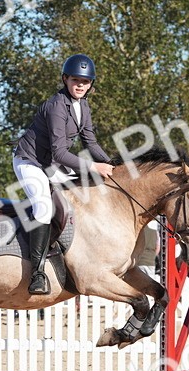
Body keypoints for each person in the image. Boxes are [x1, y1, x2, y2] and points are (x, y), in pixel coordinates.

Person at [13, 53, 115, 294]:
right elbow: (60, 153)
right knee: (43, 207)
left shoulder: (83, 106)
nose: (80, 85)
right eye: (75, 80)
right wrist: (93, 166)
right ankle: (37, 274)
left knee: (81, 193)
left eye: (85, 81)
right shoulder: (57, 106)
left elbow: (90, 142)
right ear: (65, 79)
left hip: (50, 162)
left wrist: (112, 164)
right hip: (30, 162)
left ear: (91, 84)